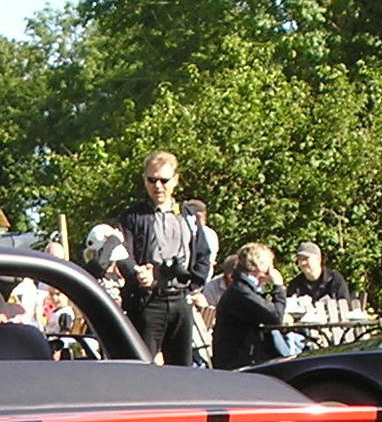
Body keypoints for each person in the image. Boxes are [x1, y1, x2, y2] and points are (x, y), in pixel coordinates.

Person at [115, 150, 212, 365]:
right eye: (152, 180)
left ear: (175, 180)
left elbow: (203, 253)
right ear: (145, 180)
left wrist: (193, 285)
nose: (158, 186)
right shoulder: (132, 216)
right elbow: (122, 253)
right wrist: (137, 274)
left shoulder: (187, 216)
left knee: (182, 368)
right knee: (142, 365)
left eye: (164, 180)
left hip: (180, 299)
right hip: (148, 300)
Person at [209, 242, 288, 370]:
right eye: (269, 265)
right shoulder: (241, 292)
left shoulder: (245, 288)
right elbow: (276, 317)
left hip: (246, 357)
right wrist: (279, 287)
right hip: (238, 363)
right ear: (260, 266)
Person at [287, 242, 351, 303]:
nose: (303, 263)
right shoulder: (295, 285)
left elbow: (345, 307)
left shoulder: (335, 280)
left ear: (318, 259)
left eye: (306, 259)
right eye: (300, 259)